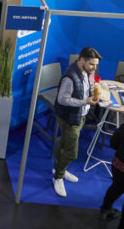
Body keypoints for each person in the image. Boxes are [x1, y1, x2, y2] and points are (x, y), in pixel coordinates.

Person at [52, 46, 101, 197]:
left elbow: (82, 90)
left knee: (63, 143)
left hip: (80, 116)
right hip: (70, 118)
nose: (94, 68)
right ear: (82, 60)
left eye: (96, 65)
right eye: (92, 64)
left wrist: (91, 92)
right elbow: (62, 99)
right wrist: (85, 101)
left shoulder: (86, 72)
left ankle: (58, 169)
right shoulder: (70, 77)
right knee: (72, 153)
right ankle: (58, 177)